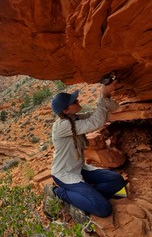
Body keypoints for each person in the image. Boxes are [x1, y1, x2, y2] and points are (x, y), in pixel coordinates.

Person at [43, 80, 126, 226]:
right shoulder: (61, 126)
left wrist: (104, 96)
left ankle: (88, 194)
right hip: (65, 174)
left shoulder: (74, 118)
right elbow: (95, 123)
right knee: (103, 208)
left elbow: (97, 115)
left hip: (80, 169)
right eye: (74, 101)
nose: (78, 101)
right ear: (66, 110)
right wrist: (103, 95)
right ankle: (58, 193)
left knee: (117, 180)